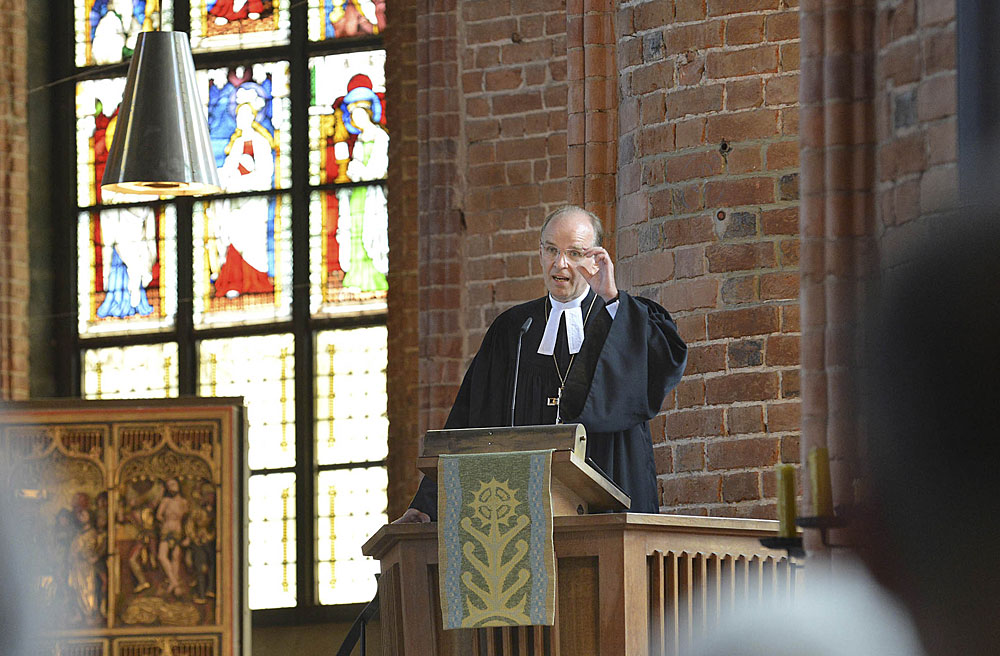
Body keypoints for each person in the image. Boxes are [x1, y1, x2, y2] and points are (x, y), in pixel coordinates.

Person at [397, 205, 687, 522]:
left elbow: (664, 364)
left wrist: (612, 298)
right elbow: (468, 419)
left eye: (574, 253)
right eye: (551, 250)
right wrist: (426, 505)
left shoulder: (620, 318)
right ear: (539, 253)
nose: (559, 264)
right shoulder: (514, 329)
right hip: (522, 511)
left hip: (610, 504)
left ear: (595, 259)